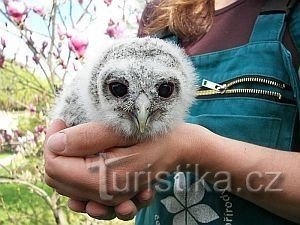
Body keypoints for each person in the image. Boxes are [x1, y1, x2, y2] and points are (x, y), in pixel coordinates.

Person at [44, 0, 300, 224]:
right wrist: (86, 157)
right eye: (118, 89)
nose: (143, 107)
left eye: (165, 89)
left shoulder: (292, 15)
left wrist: (188, 150)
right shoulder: (161, 11)